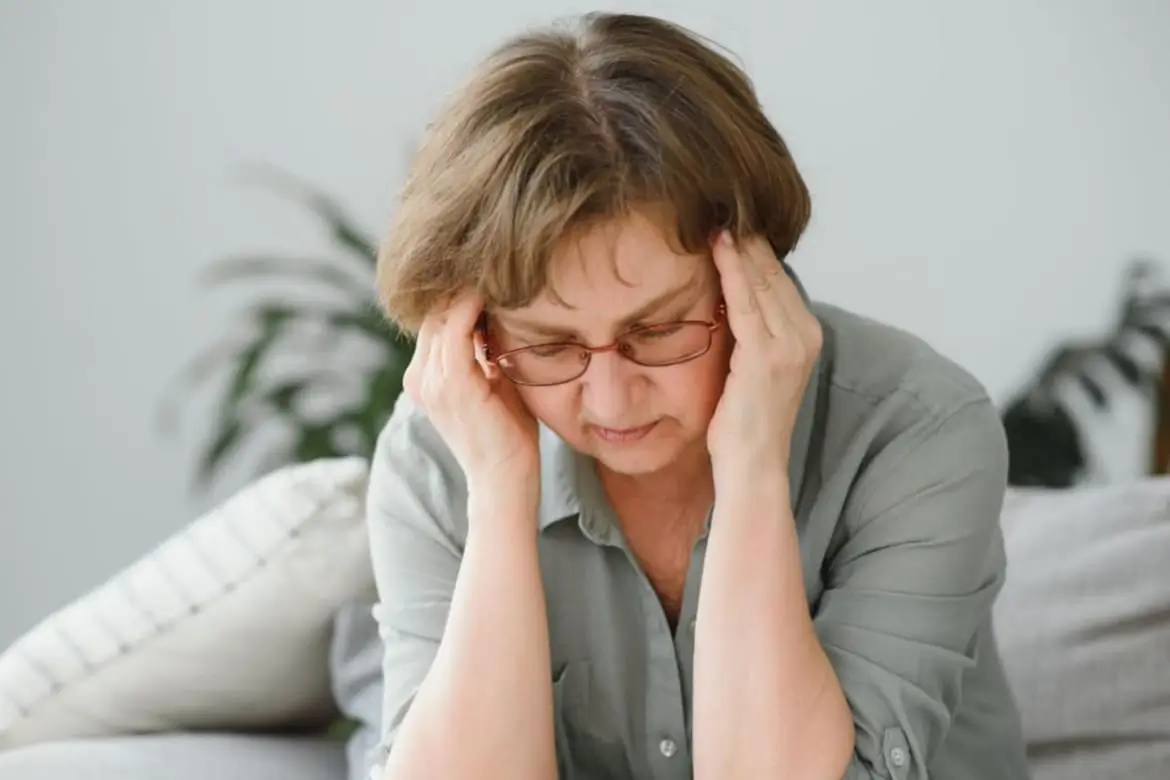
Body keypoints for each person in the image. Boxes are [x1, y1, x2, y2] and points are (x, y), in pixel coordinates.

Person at [366, 11, 1029, 780]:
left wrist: (752, 467)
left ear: (752, 275)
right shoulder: (438, 454)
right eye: (550, 346)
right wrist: (498, 493)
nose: (611, 402)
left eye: (659, 330)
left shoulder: (918, 430)